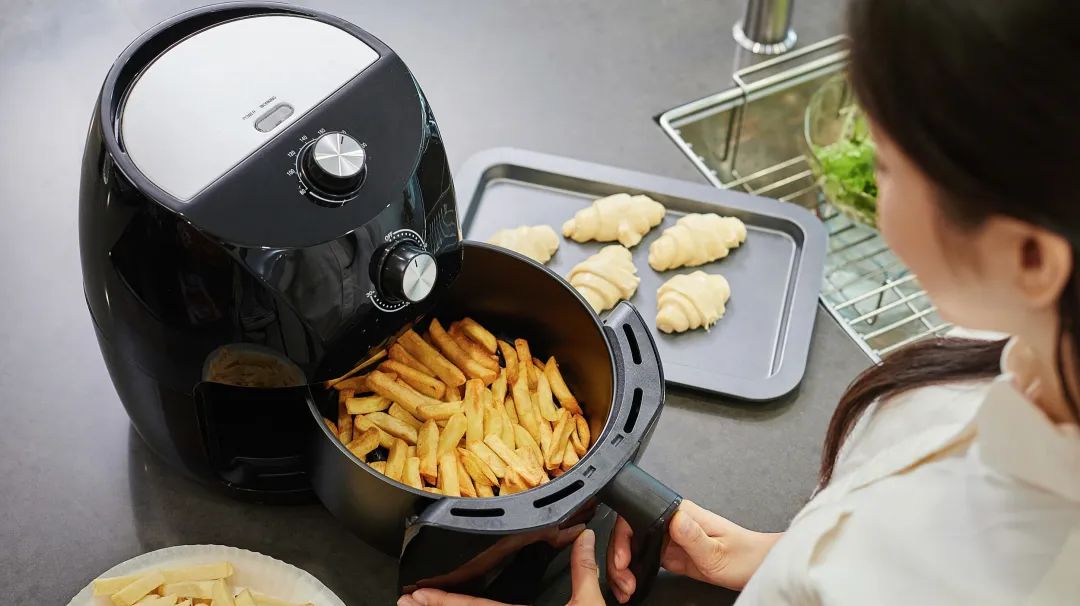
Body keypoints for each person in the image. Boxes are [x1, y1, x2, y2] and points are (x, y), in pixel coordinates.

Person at [399, 0, 1080, 603]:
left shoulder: (1021, 570)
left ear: (1029, 257)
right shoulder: (1021, 350)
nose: (859, 187)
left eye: (886, 166)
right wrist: (778, 559)